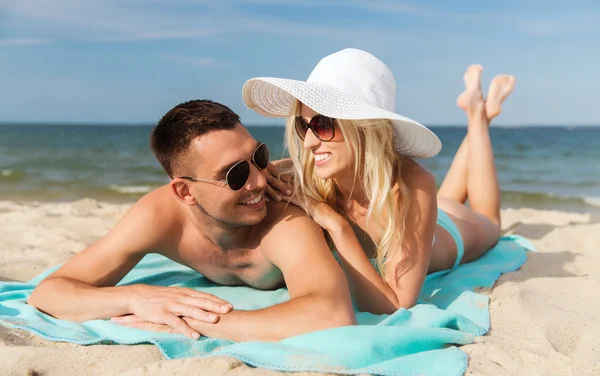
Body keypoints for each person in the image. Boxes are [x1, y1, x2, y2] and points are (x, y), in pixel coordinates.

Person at [28, 100, 356, 342]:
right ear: (185, 192)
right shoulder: (160, 216)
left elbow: (331, 314)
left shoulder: (283, 215)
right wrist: (135, 297)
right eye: (235, 174)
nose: (258, 181)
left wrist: (194, 321)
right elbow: (49, 292)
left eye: (258, 157)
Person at [243, 48, 516, 314]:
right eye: (304, 126)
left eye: (323, 125)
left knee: (489, 221)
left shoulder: (414, 182)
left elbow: (396, 304)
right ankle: (477, 108)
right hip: (422, 211)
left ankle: (478, 116)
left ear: (364, 126)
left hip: (449, 229)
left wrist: (337, 225)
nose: (310, 142)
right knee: (445, 197)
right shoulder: (311, 170)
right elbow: (254, 174)